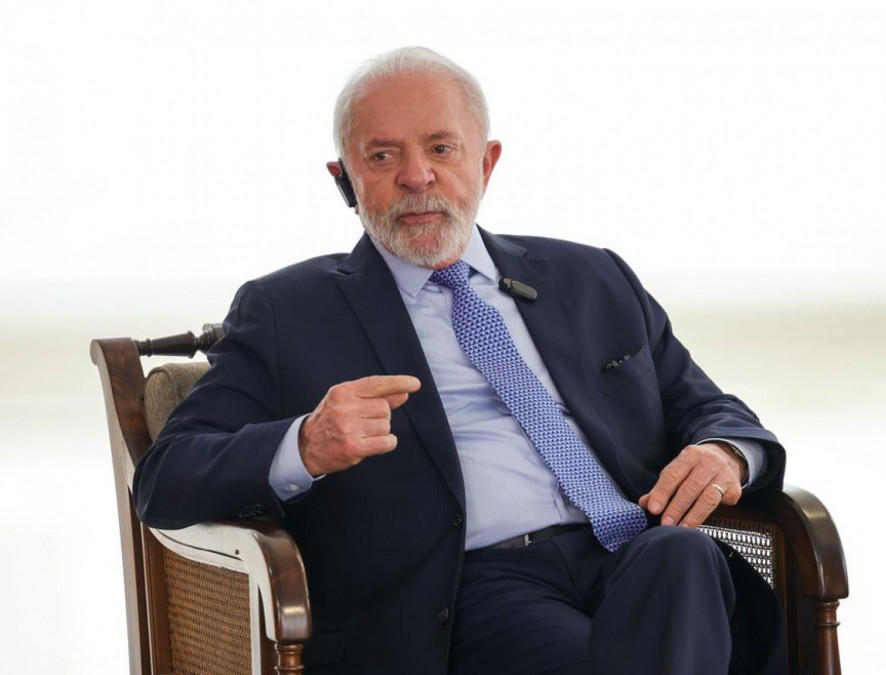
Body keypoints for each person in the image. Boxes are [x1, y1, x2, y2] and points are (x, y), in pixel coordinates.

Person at [133, 46, 787, 675]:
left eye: (441, 149)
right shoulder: (287, 312)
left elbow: (712, 410)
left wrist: (725, 453)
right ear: (344, 180)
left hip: (634, 556)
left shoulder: (593, 277)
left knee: (682, 556)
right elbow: (164, 480)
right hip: (468, 593)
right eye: (383, 155)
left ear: (486, 161)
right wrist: (304, 444)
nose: (417, 177)